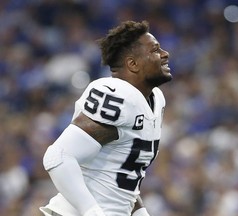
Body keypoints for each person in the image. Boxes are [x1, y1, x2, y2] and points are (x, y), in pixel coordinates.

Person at [39, 20, 172, 216]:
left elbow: (123, 176)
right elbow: (58, 157)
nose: (165, 54)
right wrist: (92, 212)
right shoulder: (117, 94)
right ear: (132, 64)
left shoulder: (155, 100)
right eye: (155, 50)